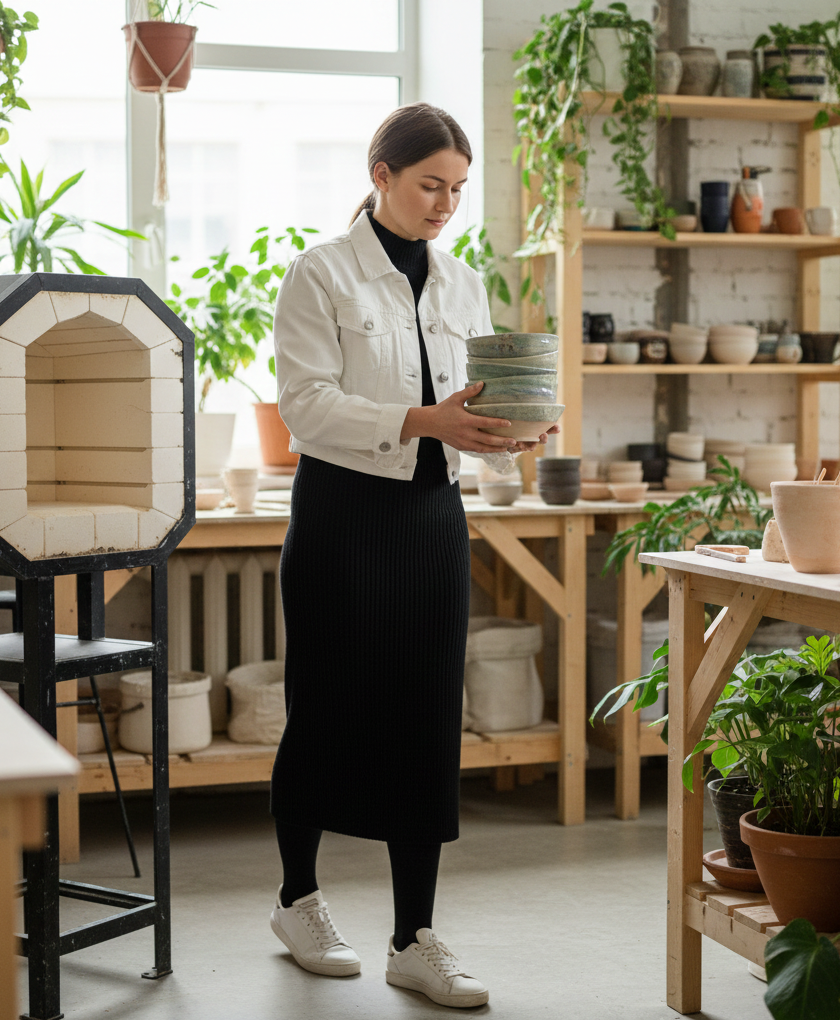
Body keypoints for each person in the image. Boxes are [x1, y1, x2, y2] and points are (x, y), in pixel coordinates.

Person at [267, 101, 559, 1009]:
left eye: (458, 190)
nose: (445, 204)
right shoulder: (319, 275)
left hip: (433, 519)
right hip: (341, 519)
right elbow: (303, 407)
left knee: (426, 719)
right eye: (431, 184)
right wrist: (422, 420)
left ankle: (412, 936)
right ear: (381, 173)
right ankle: (298, 900)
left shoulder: (463, 283)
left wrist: (497, 434)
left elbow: (462, 403)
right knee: (324, 709)